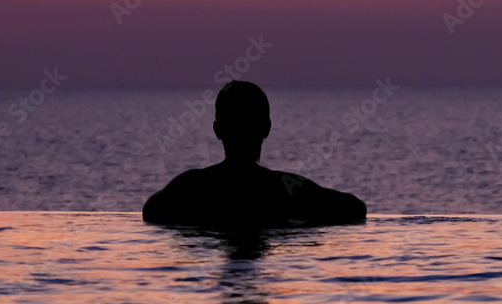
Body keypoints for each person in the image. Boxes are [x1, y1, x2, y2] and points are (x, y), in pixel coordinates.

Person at [143, 80, 366, 227]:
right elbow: (355, 208)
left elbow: (150, 210)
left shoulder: (192, 186)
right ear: (267, 128)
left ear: (217, 130)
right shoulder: (286, 188)